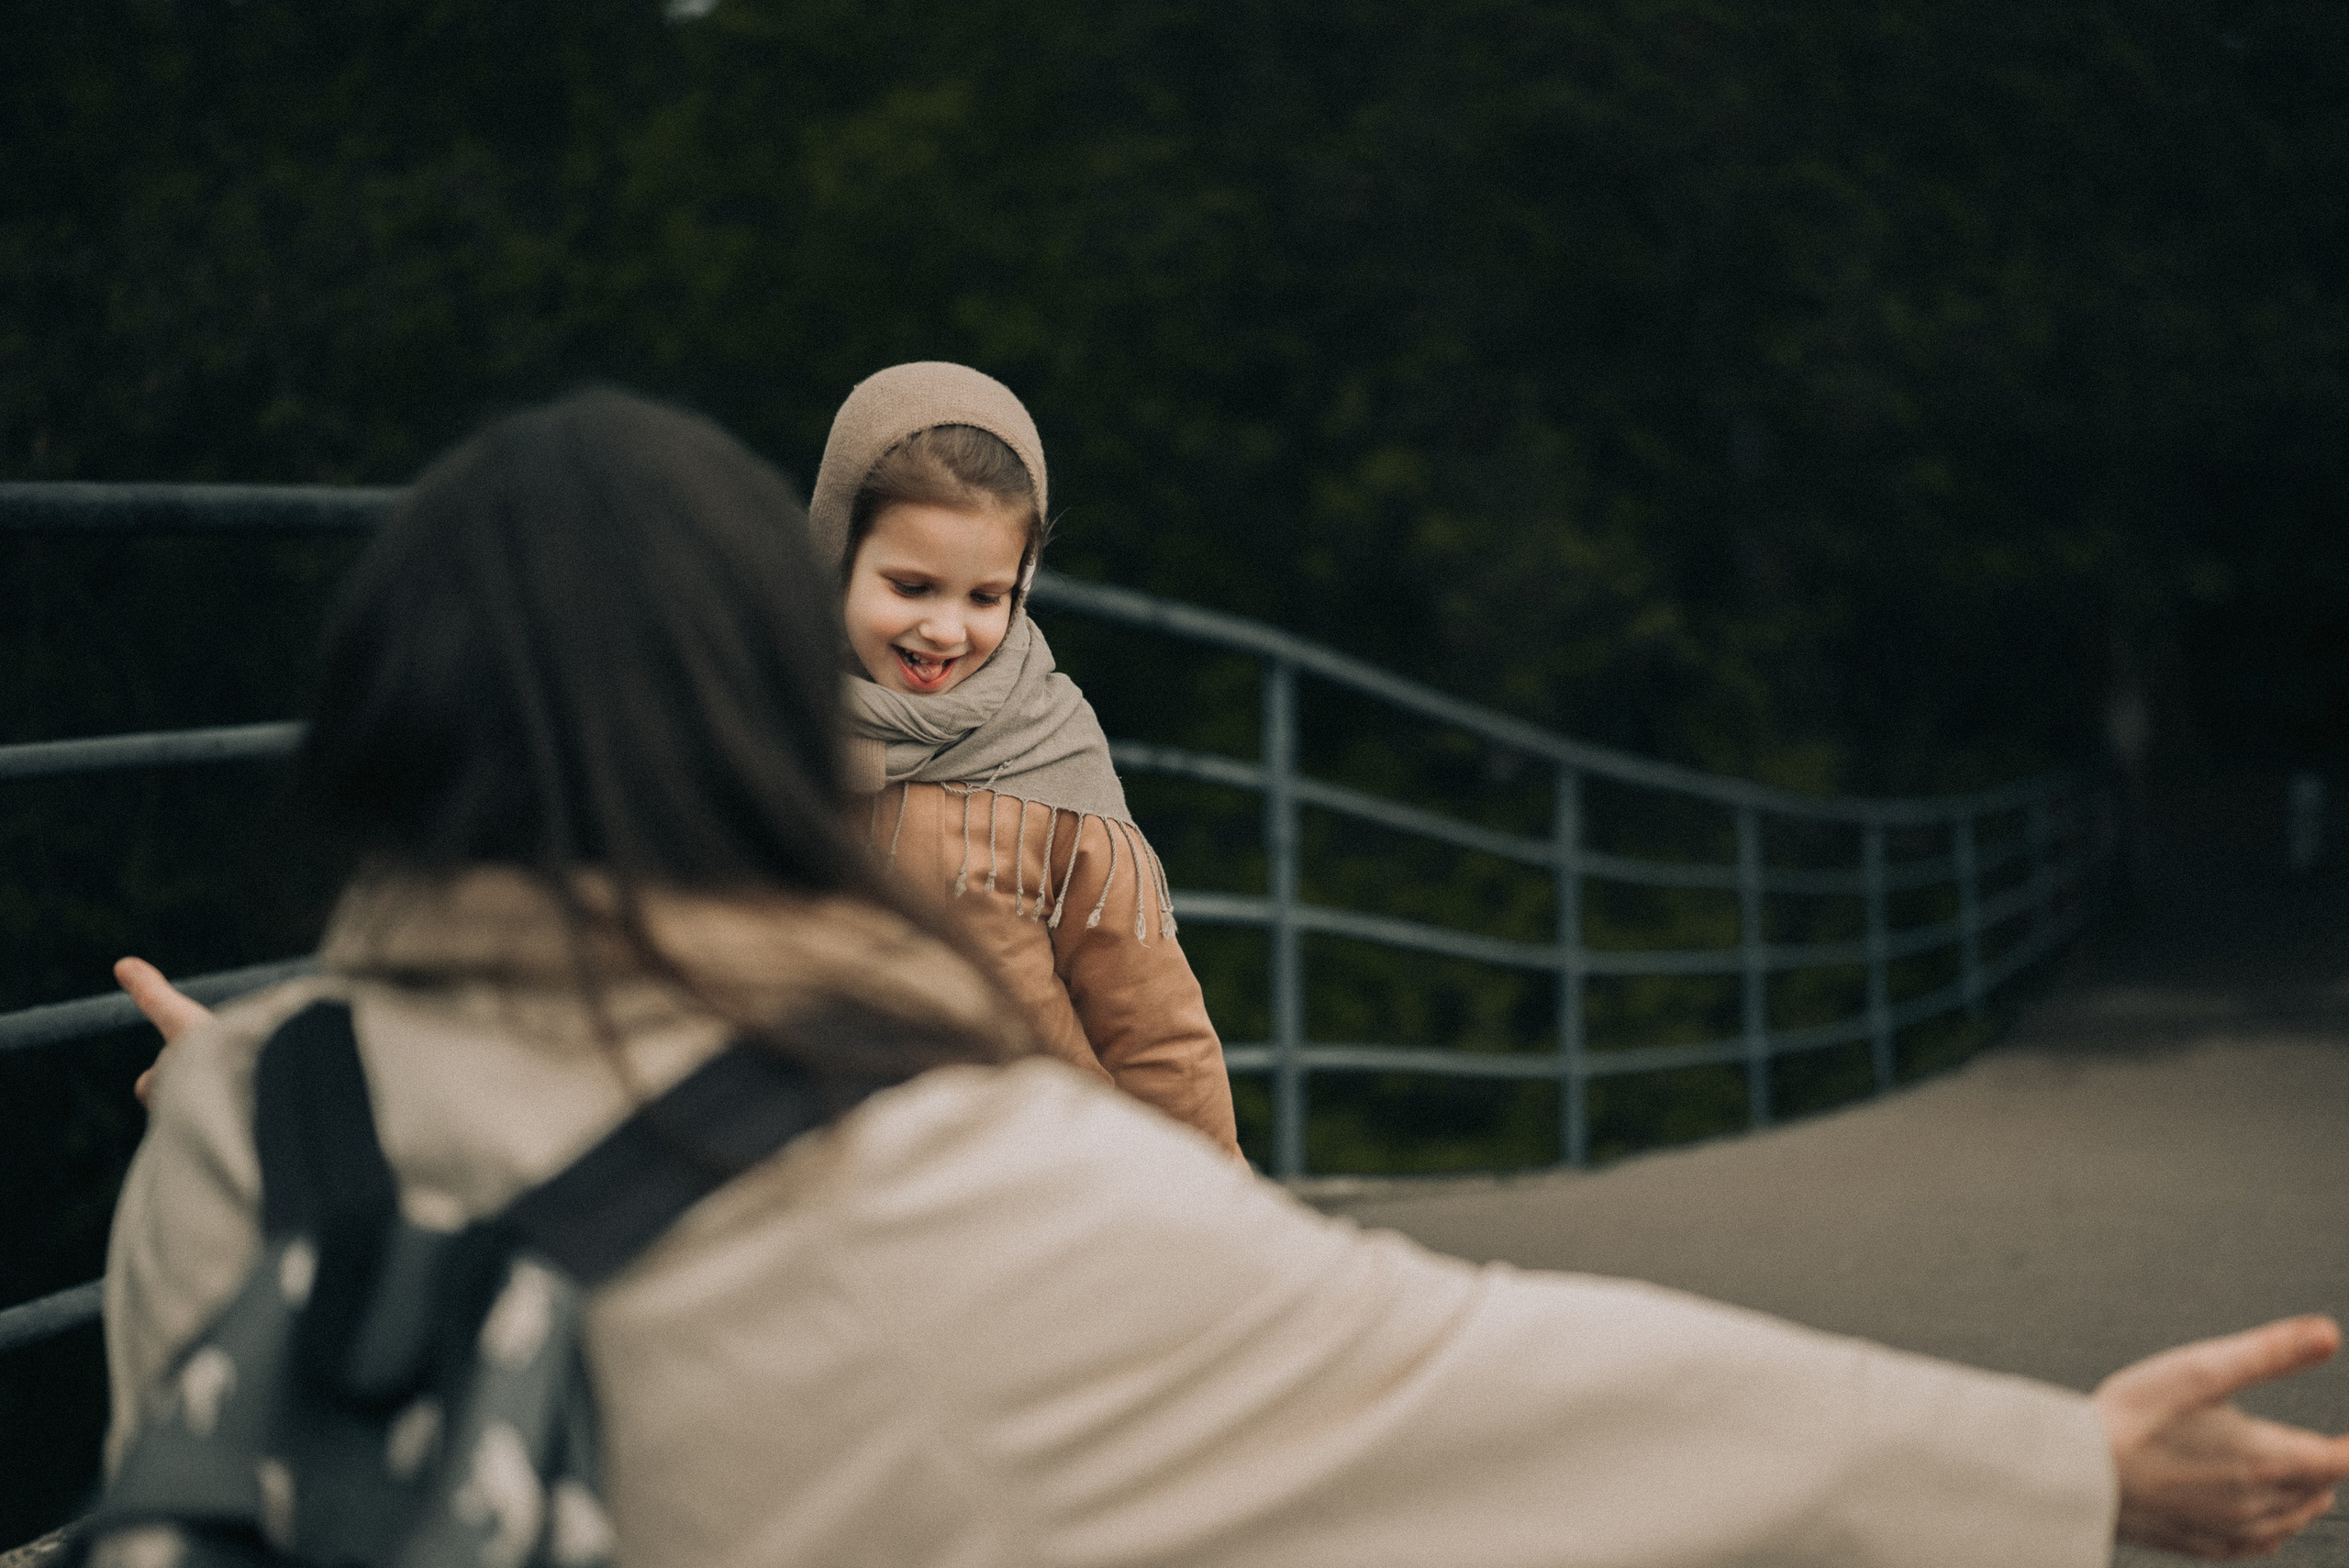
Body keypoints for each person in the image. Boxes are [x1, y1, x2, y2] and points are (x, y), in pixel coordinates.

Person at [106, 388, 2349, 1567]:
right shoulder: (924, 1161)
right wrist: (2054, 1474)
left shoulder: (237, 1130)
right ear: (740, 697)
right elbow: (1493, 1386)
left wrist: (294, 1091)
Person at [812, 361, 1238, 1155]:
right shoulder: (763, 735)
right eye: (911, 586)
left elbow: (1155, 1030)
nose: (945, 629)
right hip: (847, 1174)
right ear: (837, 556)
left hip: (1046, 1169)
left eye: (985, 597)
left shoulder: (1049, 757)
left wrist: (1225, 1216)